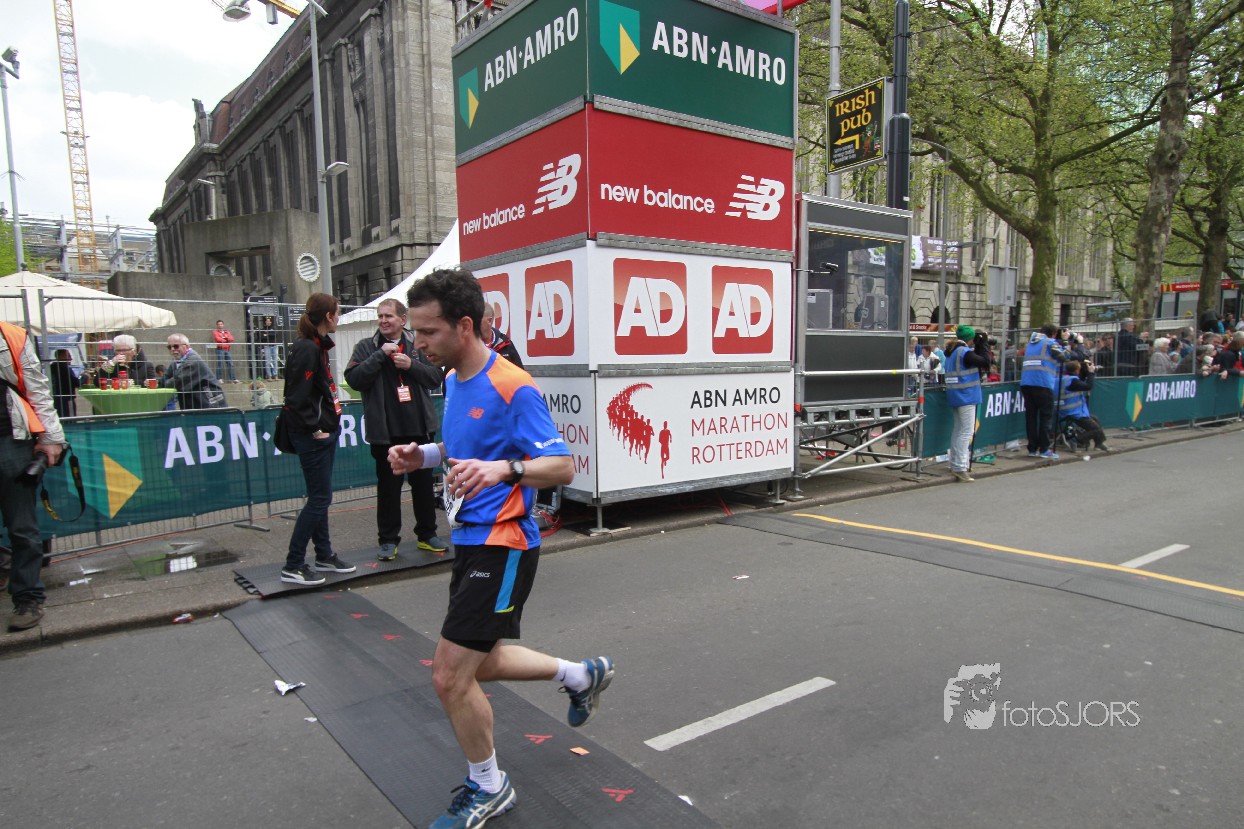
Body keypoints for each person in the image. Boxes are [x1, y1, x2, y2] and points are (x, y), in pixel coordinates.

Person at [388, 268, 611, 828]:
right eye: (416, 331)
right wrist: (425, 456)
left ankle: (489, 785)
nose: (418, 343)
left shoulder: (514, 384)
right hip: (470, 538)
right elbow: (468, 445)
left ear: (464, 326)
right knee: (480, 663)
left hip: (504, 543)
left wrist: (505, 470)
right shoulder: (454, 378)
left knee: (449, 675)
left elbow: (561, 466)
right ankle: (581, 676)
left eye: (428, 331)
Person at [344, 298, 448, 561]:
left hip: (419, 429)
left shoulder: (418, 345)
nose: (383, 321)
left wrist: (411, 365)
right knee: (388, 490)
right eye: (380, 316)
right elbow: (354, 379)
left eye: (388, 316)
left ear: (402, 319)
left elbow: (436, 377)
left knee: (423, 486)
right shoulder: (366, 347)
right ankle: (388, 540)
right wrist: (380, 356)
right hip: (385, 433)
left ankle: (427, 534)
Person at [279, 293, 354, 586]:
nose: (339, 318)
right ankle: (293, 564)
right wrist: (315, 429)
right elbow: (296, 397)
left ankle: (323, 554)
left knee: (320, 497)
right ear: (328, 317)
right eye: (337, 313)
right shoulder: (308, 348)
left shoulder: (316, 345)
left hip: (322, 431)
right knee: (320, 498)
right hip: (312, 435)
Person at [0, 321, 66, 631]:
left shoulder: (11, 335)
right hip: (11, 442)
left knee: (22, 527)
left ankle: (27, 599)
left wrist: (51, 438)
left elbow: (37, 388)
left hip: (10, 442)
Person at [943, 325, 991, 482]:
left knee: (958, 431)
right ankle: (959, 467)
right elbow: (986, 362)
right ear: (970, 339)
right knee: (966, 432)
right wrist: (984, 344)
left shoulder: (952, 352)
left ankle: (954, 463)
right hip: (967, 395)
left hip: (955, 395)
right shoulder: (964, 352)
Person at [1019, 322, 1067, 459]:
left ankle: (1032, 449)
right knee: (1046, 417)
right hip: (1043, 383)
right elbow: (1064, 356)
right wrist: (1065, 342)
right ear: (1053, 333)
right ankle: (1044, 449)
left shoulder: (1031, 343)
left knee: (1031, 418)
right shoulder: (1050, 342)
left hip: (1027, 383)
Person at [160, 334, 226, 410]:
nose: (172, 349)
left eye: (176, 346)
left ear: (187, 346)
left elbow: (176, 382)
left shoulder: (192, 361)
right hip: (196, 405)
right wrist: (157, 382)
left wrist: (163, 383)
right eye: (169, 347)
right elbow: (165, 378)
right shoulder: (177, 361)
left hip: (209, 405)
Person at [1058, 360, 1109, 452]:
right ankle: (1076, 440)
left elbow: (1079, 382)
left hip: (1064, 410)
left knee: (1094, 418)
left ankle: (1099, 443)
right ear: (1076, 370)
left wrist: (1087, 372)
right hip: (1072, 412)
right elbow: (1088, 386)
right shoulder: (1073, 381)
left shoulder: (1063, 379)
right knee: (1096, 429)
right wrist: (1091, 373)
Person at [480, 303, 523, 367]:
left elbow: (519, 371)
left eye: (477, 319)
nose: (472, 323)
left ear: (489, 321)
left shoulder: (506, 343)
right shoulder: (468, 345)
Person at [49, 349, 79, 419]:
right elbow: (76, 382)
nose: (71, 359)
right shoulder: (64, 368)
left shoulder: (51, 367)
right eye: (68, 356)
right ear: (61, 357)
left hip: (55, 398)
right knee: (70, 419)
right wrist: (84, 377)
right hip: (66, 399)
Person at [256, 316, 279, 380]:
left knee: (275, 361)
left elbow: (275, 334)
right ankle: (269, 376)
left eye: (269, 321)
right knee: (267, 362)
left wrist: (267, 333)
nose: (268, 322)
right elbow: (262, 337)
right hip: (267, 346)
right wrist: (270, 334)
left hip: (274, 345)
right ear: (265, 322)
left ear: (271, 322)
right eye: (267, 321)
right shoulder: (262, 329)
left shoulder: (274, 328)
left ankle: (275, 375)